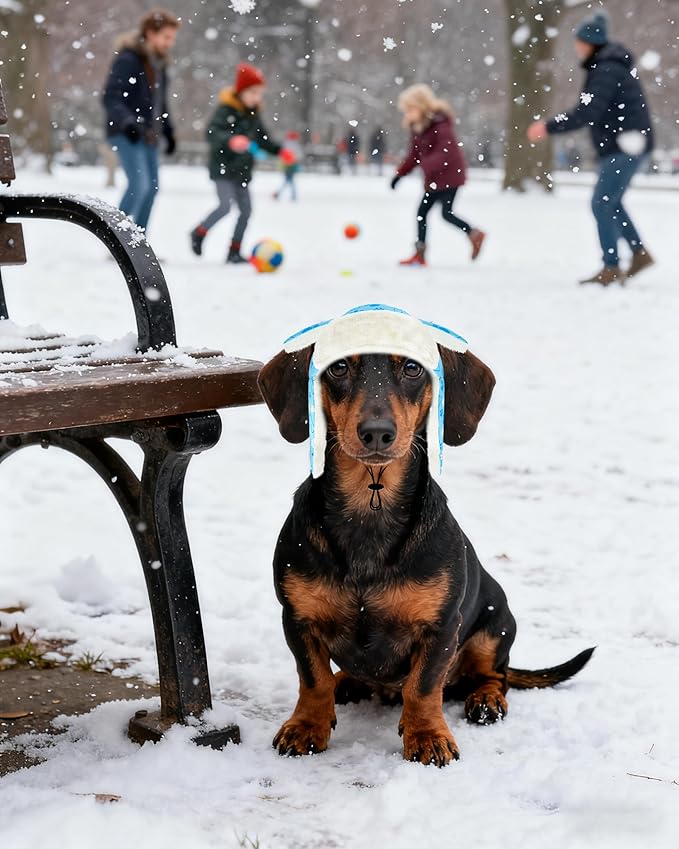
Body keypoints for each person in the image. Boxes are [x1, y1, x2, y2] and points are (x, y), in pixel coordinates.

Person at [527, 12, 655, 286]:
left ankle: (611, 267)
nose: (576, 48)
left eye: (579, 43)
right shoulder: (607, 66)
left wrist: (548, 127)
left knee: (602, 203)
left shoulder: (607, 69)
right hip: (625, 144)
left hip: (625, 145)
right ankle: (638, 253)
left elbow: (589, 112)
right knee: (612, 202)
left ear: (590, 43)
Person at [190, 63, 295, 263]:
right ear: (241, 92)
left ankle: (234, 251)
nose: (257, 97)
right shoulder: (226, 110)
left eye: (260, 93)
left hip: (242, 172)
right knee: (225, 206)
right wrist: (230, 140)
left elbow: (263, 139)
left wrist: (281, 151)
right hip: (223, 168)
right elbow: (212, 133)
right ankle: (199, 232)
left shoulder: (253, 115)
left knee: (246, 211)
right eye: (253, 92)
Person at [390, 84, 485, 267]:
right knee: (422, 213)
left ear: (422, 106)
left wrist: (426, 165)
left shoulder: (441, 124)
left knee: (445, 213)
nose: (408, 113)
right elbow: (414, 155)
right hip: (434, 178)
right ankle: (420, 254)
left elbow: (446, 152)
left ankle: (475, 234)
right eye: (406, 110)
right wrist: (400, 174)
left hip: (450, 176)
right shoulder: (417, 128)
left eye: (411, 109)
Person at [102, 8, 179, 232]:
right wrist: (128, 123)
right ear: (150, 33)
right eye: (166, 37)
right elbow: (111, 96)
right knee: (139, 186)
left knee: (152, 188)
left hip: (149, 135)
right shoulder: (129, 60)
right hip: (126, 133)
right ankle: (117, 239)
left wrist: (169, 131)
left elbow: (160, 103)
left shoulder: (159, 64)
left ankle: (138, 244)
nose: (169, 43)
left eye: (172, 38)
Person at [273, 131, 302, 201]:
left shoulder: (286, 144)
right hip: (291, 164)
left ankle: (279, 194)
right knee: (289, 180)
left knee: (288, 180)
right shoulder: (295, 145)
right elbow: (299, 155)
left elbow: (282, 154)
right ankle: (291, 195)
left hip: (286, 164)